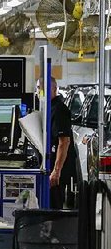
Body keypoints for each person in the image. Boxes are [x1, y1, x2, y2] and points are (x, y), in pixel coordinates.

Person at [46, 77, 78, 209]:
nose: (37, 92)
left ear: (53, 89)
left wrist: (56, 171)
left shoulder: (59, 110)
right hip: (52, 165)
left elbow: (64, 142)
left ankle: (55, 229)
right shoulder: (49, 107)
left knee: (55, 206)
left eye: (39, 88)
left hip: (58, 168)